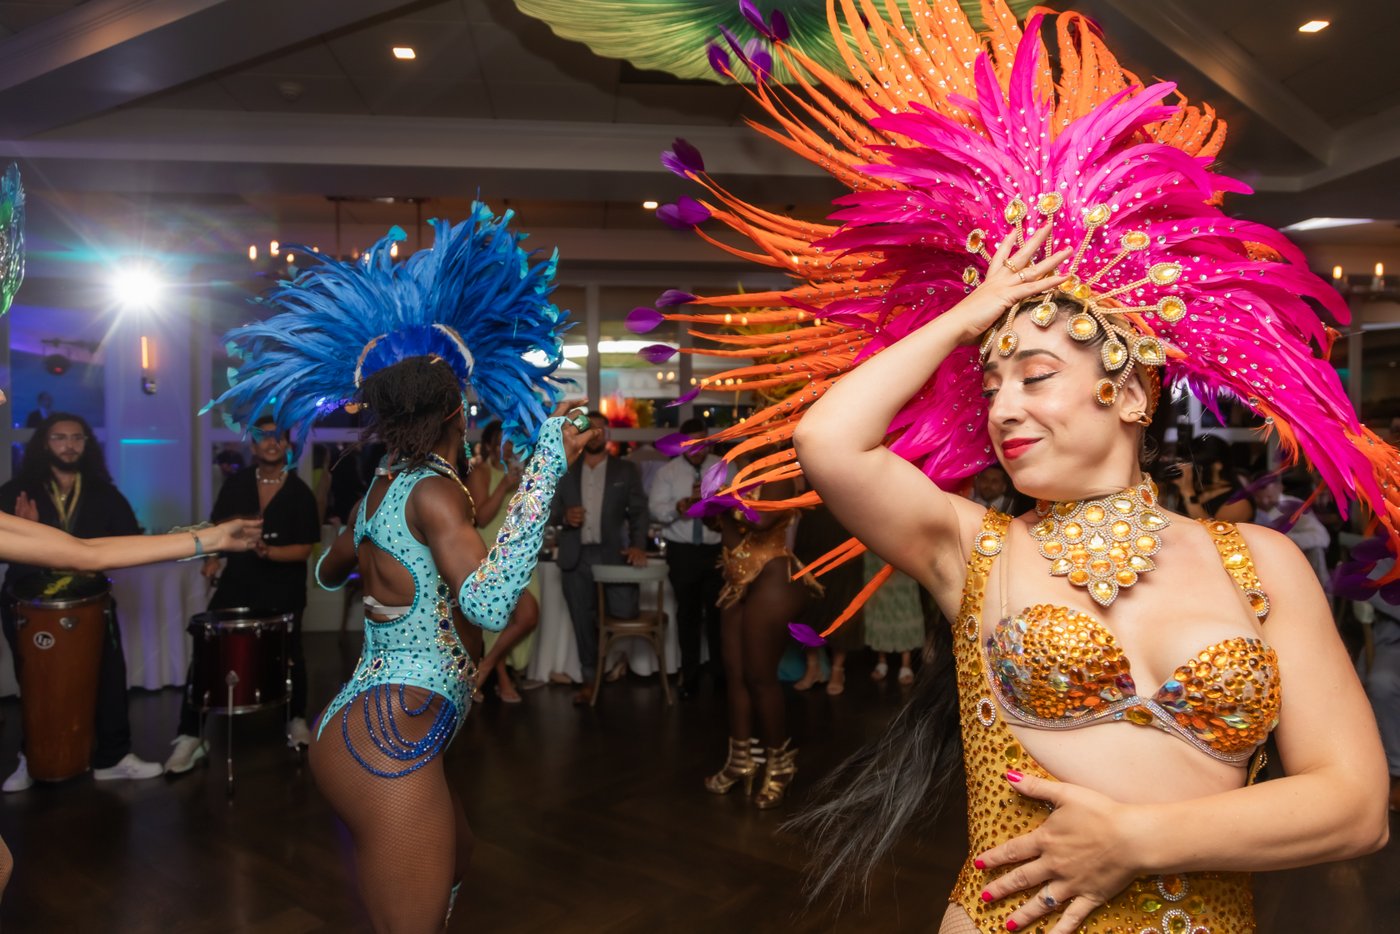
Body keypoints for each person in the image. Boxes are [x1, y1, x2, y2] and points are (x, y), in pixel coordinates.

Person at [647, 3, 1393, 930]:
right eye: (990, 384)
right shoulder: (975, 549)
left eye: (1035, 374)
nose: (1003, 406)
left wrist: (1139, 841)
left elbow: (1356, 808)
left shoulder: (1264, 564)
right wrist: (976, 311)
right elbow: (829, 443)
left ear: (1127, 393)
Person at [204, 204, 573, 931]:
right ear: (455, 412)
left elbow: (325, 573)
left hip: (369, 719)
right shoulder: (435, 491)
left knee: (458, 859)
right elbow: (496, 604)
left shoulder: (380, 487)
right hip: (387, 740)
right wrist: (545, 471)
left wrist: (375, 579)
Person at [0, 412, 164, 790]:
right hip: (30, 606)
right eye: (60, 438)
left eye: (77, 438)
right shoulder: (17, 490)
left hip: (91, 605)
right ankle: (32, 757)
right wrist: (26, 528)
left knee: (109, 678)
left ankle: (114, 756)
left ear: (87, 444)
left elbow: (130, 539)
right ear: (45, 443)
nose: (69, 445)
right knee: (37, 684)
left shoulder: (103, 491)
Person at [165, 415, 322, 773]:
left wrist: (270, 553)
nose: (271, 443)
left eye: (278, 438)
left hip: (283, 587)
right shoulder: (235, 484)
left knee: (290, 654)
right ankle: (191, 735)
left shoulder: (299, 493)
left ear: (287, 445)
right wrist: (213, 561)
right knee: (207, 651)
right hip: (237, 582)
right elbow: (218, 532)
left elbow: (303, 551)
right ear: (252, 445)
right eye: (263, 438)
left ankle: (295, 718)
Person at [702, 461, 821, 808]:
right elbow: (727, 526)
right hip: (736, 580)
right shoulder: (739, 474)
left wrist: (720, 501)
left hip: (773, 577)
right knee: (735, 675)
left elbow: (764, 518)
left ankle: (780, 764)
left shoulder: (780, 472)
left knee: (759, 676)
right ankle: (741, 759)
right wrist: (713, 510)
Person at [550, 410, 649, 706]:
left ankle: (613, 664)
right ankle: (590, 679)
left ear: (606, 435)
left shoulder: (625, 471)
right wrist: (565, 517)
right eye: (590, 429)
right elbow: (549, 511)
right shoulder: (565, 469)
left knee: (621, 611)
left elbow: (639, 513)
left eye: (600, 430)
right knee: (583, 619)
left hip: (612, 555)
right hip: (576, 555)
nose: (596, 434)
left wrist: (638, 545)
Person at [464, 420, 541, 703]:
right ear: (488, 446)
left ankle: (497, 672)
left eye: (509, 441)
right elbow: (481, 518)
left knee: (514, 618)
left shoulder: (524, 473)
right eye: (498, 442)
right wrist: (504, 487)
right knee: (525, 615)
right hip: (492, 555)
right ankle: (489, 669)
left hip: (520, 556)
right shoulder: (481, 473)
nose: (504, 448)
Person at [647, 416, 724, 698]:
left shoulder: (723, 466)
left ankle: (720, 676)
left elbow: (738, 501)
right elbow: (655, 509)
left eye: (703, 441)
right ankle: (689, 677)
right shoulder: (667, 472)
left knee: (718, 615)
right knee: (687, 615)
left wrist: (714, 505)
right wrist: (678, 507)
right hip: (683, 552)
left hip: (715, 549)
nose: (699, 448)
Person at [1249, 474, 1331, 585]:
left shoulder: (1294, 507)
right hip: (1259, 563)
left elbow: (1322, 536)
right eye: (1258, 497)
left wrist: (1283, 540)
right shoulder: (1248, 507)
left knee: (1316, 552)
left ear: (1280, 488)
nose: (1264, 502)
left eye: (1269, 497)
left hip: (1291, 561)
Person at [1174, 434, 1254, 524]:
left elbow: (1211, 534)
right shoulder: (1195, 492)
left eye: (1197, 466)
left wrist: (1187, 492)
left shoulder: (1238, 502)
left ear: (1217, 465)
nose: (1192, 471)